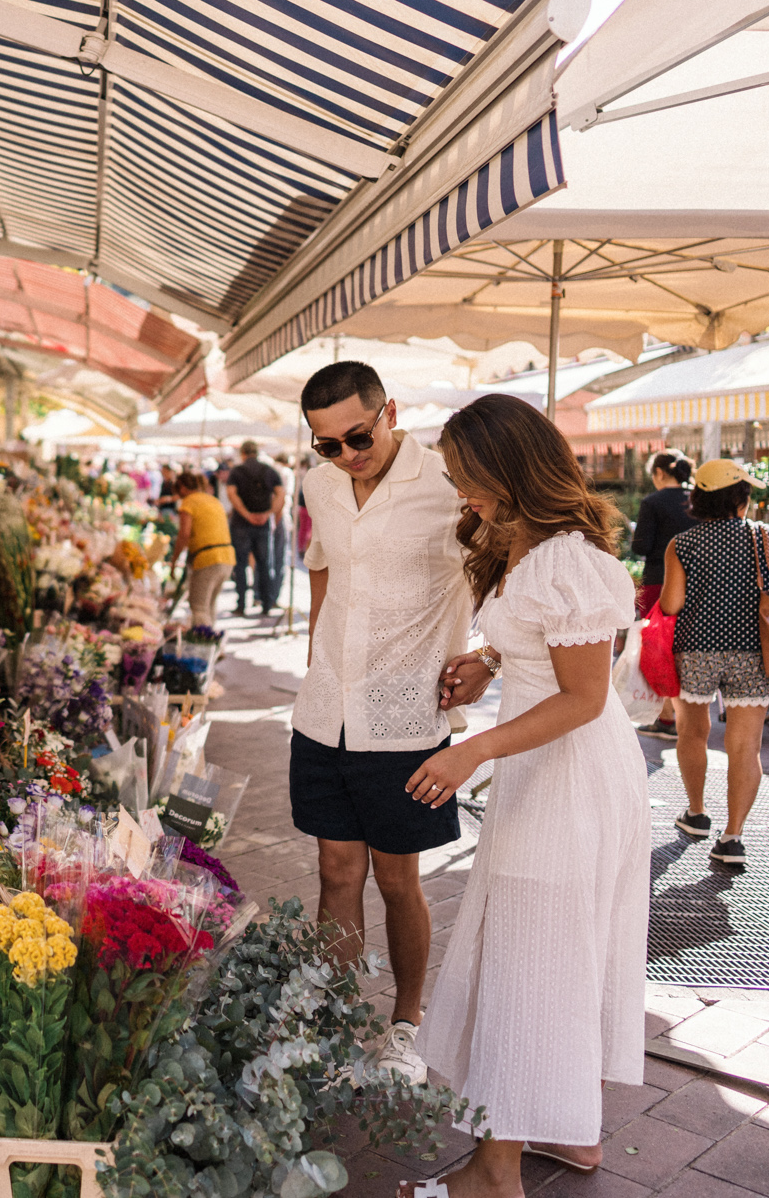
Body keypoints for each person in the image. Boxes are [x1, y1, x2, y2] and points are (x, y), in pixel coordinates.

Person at [405, 393, 649, 1197]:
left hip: (567, 775)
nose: (461, 496)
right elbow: (553, 654)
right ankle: (568, 1131)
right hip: (556, 768)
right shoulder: (537, 547)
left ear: (508, 471)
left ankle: (495, 1169)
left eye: (467, 480)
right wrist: (492, 661)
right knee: (561, 949)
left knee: (530, 959)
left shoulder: (566, 558)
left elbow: (583, 695)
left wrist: (472, 748)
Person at [294, 360, 471, 1084]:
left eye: (356, 436)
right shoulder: (319, 485)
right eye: (325, 444)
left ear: (390, 410)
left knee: (400, 880)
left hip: (403, 719)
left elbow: (505, 578)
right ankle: (334, 1023)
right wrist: (314, 661)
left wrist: (484, 656)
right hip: (325, 711)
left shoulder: (450, 488)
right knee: (335, 871)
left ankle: (407, 1022)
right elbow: (322, 569)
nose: (345, 455)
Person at [658, 458, 769, 867]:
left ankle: (697, 813)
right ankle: (733, 836)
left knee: (692, 732)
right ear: (739, 498)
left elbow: (671, 604)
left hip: (697, 649)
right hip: (753, 652)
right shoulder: (764, 537)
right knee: (744, 746)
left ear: (700, 499)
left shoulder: (681, 545)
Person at [630, 450, 696, 737]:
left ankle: (667, 717)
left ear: (659, 473)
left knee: (660, 648)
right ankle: (686, 716)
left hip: (659, 581)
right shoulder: (696, 499)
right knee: (684, 647)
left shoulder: (652, 502)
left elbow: (640, 547)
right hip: (695, 584)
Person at [225, 439, 284, 616]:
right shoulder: (269, 470)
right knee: (265, 564)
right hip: (263, 523)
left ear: (243, 453)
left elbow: (231, 495)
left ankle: (241, 604)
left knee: (241, 564)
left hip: (241, 524)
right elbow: (281, 494)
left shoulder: (236, 471)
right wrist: (269, 513)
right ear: (257, 453)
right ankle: (266, 602)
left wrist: (246, 514)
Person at [169, 471, 234, 628]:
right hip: (227, 557)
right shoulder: (212, 500)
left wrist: (174, 561)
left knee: (198, 607)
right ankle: (213, 645)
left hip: (207, 558)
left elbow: (184, 534)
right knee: (209, 605)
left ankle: (202, 647)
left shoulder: (189, 503)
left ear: (183, 488)